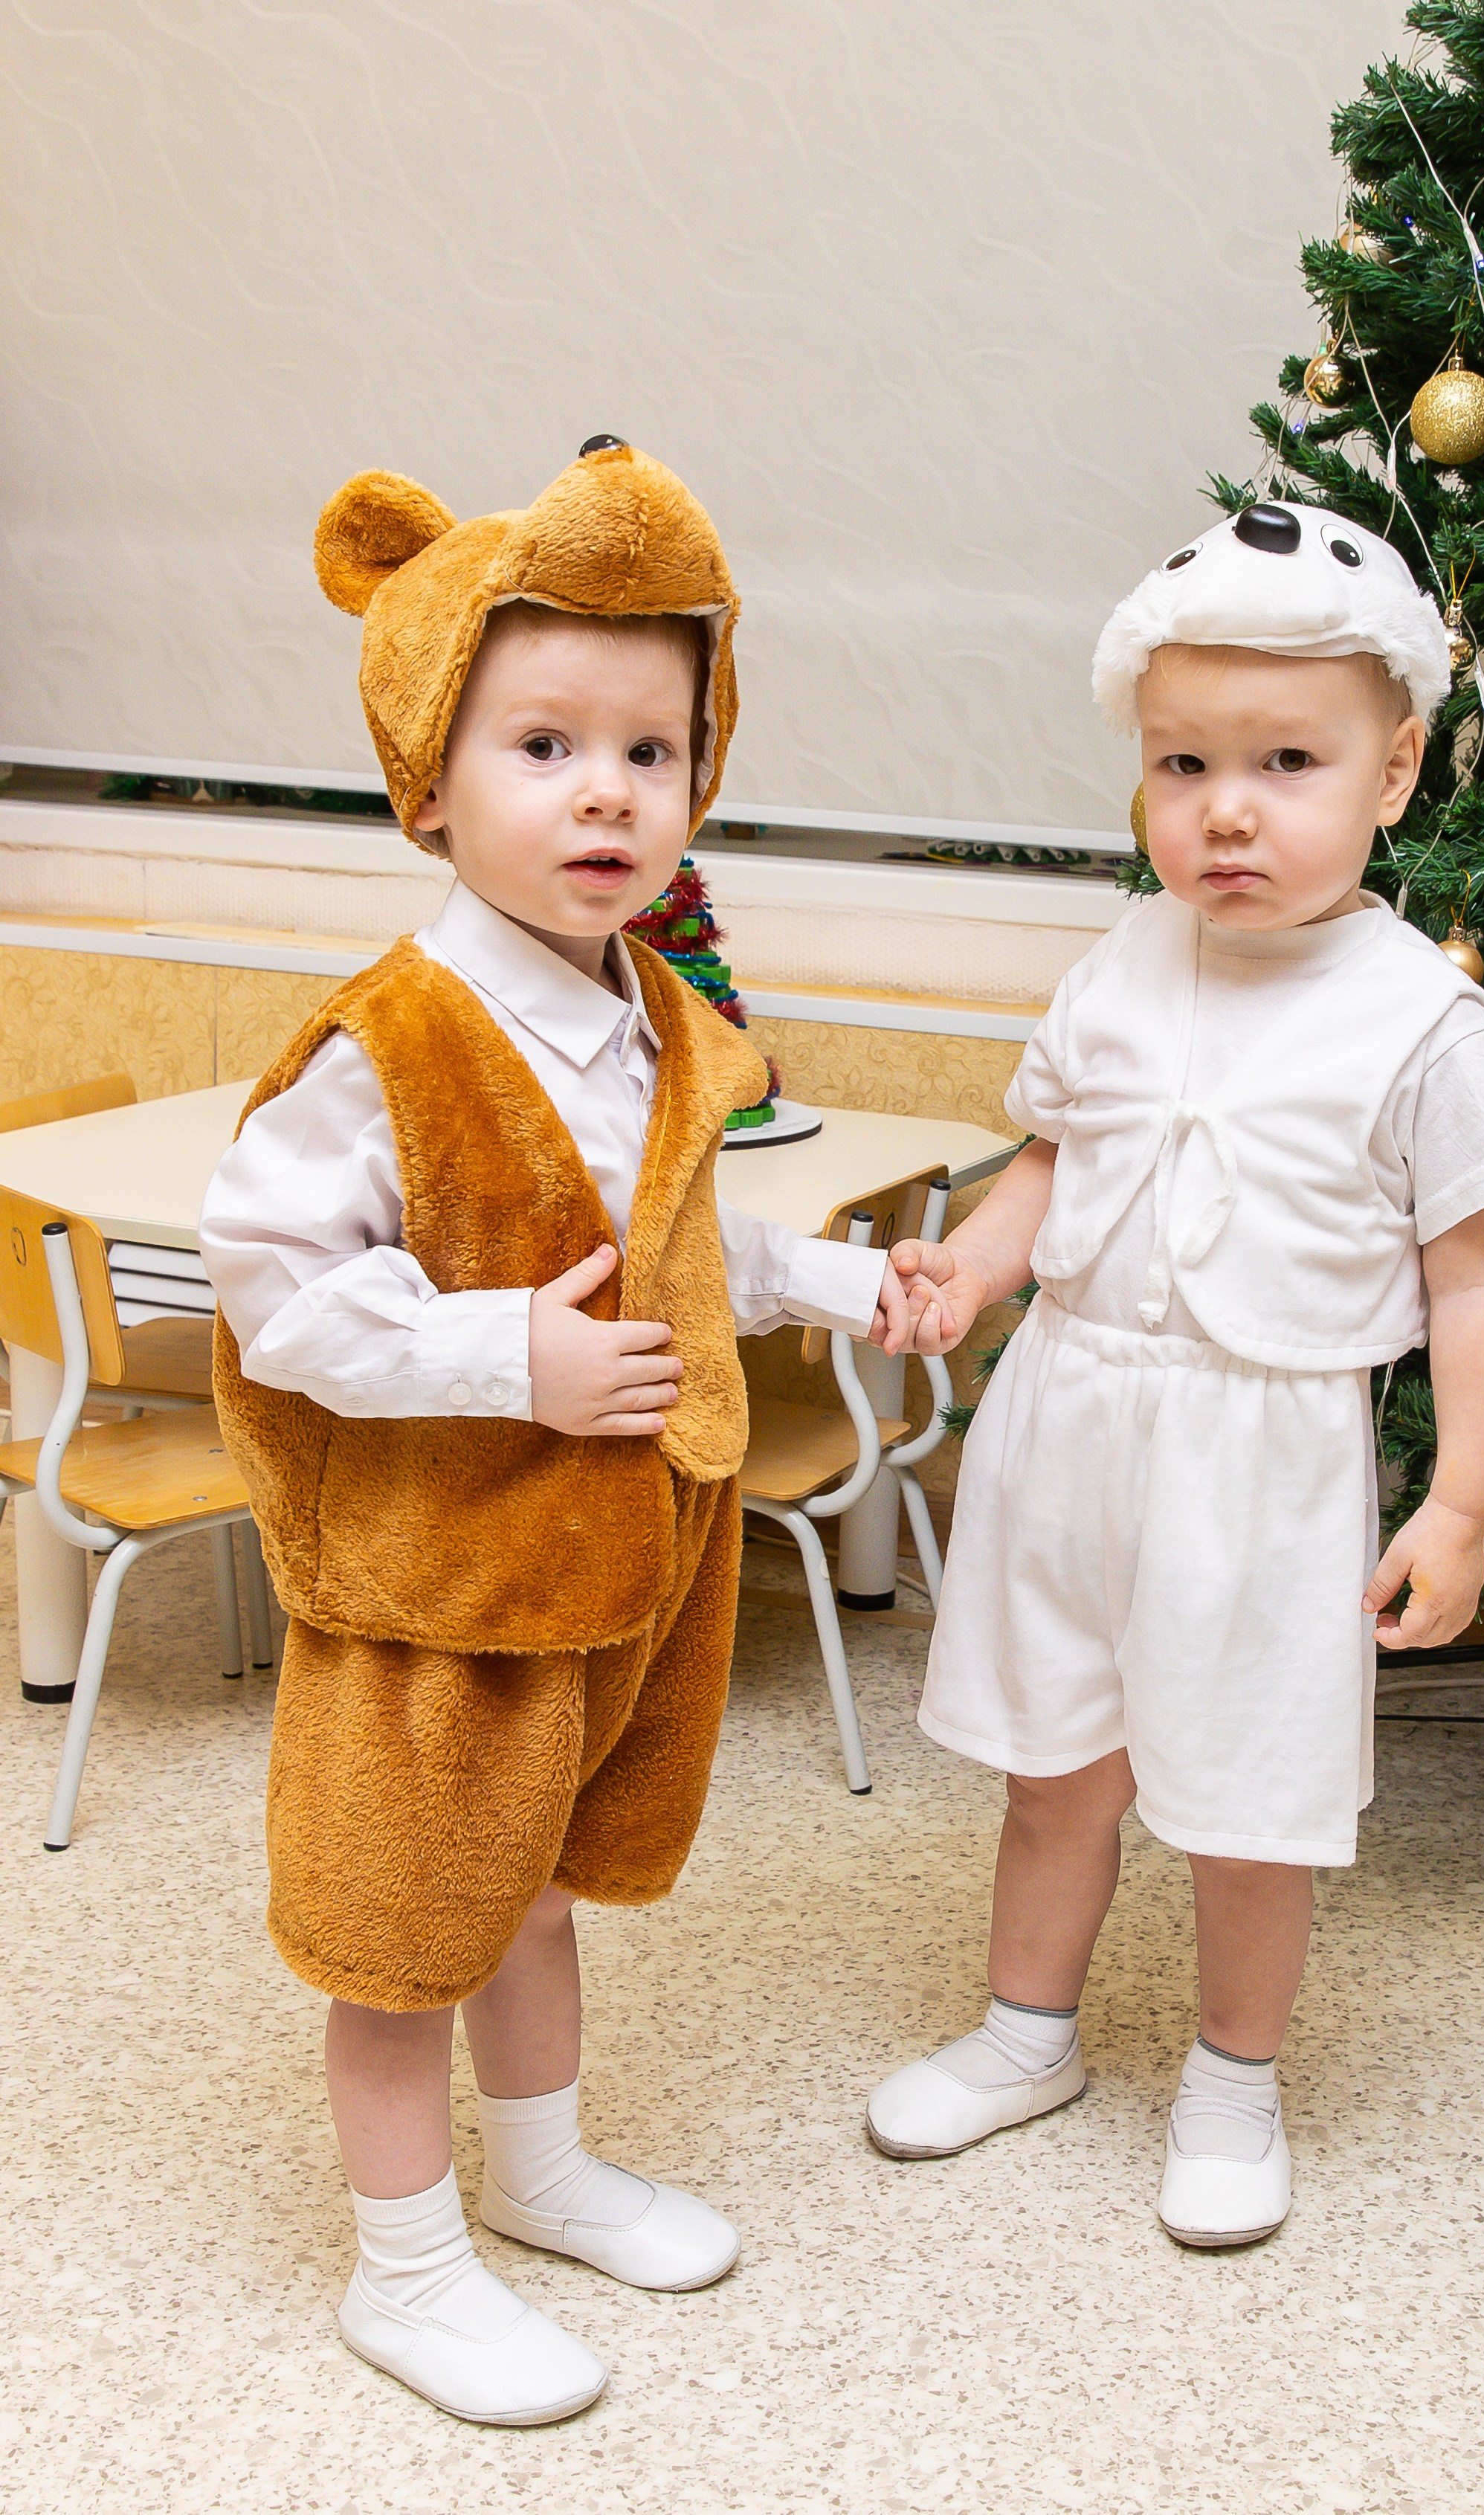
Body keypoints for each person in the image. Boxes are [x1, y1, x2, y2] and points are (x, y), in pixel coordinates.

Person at [201, 442, 899, 2424]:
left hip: (595, 1574)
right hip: (437, 1590)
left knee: (534, 1885)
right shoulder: (389, 1039)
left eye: (652, 751)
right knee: (407, 1918)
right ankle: (403, 2264)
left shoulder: (659, 1019)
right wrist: (505, 1351)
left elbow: (672, 1233)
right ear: (430, 779)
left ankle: (547, 2168)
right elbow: (272, 1282)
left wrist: (841, 1286)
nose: (608, 790)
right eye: (544, 743)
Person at [865, 501, 1484, 2247]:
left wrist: (1461, 1498)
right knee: (1057, 1766)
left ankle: (1236, 2075)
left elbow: (1480, 1275)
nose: (1225, 808)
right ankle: (1032, 2032)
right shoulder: (1118, 960)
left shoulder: (1418, 1016)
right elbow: (1048, 1165)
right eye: (1184, 760)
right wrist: (975, 1263)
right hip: (1076, 1428)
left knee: (1253, 1797)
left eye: (1284, 761)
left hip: (1269, 1466)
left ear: (1394, 774)